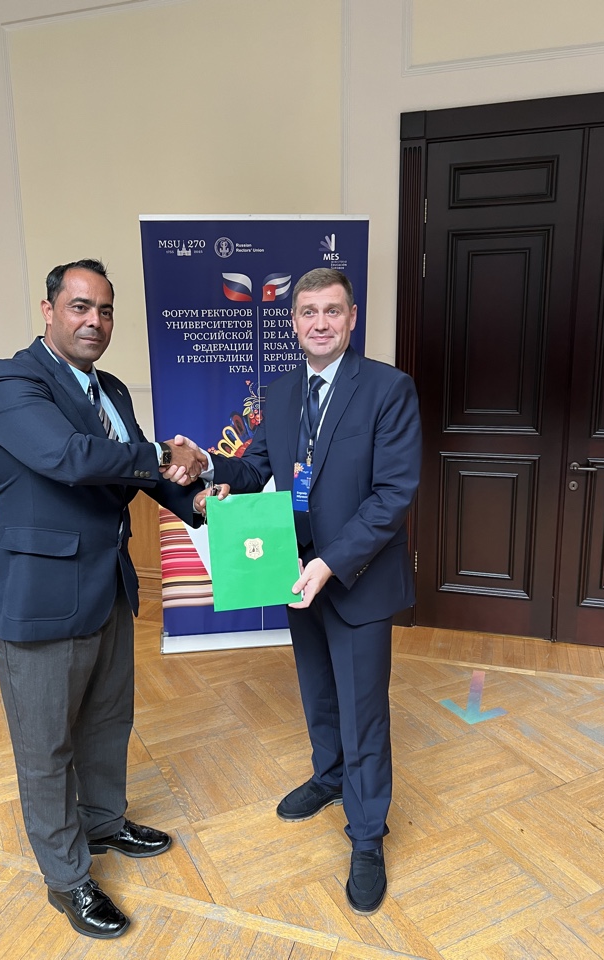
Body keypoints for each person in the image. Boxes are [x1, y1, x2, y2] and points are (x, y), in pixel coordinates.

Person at [0, 259, 207, 940]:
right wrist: (163, 452)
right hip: (40, 601)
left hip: (107, 587)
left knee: (107, 721)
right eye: (80, 307)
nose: (94, 322)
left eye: (104, 310)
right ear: (49, 311)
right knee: (46, 746)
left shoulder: (112, 389)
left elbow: (137, 471)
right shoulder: (9, 382)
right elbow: (72, 457)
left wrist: (197, 502)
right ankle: (67, 878)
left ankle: (104, 823)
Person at [208, 267, 421, 915]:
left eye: (332, 310)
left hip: (356, 577)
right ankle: (329, 778)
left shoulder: (387, 388)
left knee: (364, 711)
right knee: (318, 691)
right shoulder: (279, 393)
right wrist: (216, 473)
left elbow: (393, 495)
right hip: (295, 572)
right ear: (294, 321)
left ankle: (367, 834)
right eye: (308, 311)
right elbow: (257, 467)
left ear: (352, 318)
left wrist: (330, 561)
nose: (320, 322)